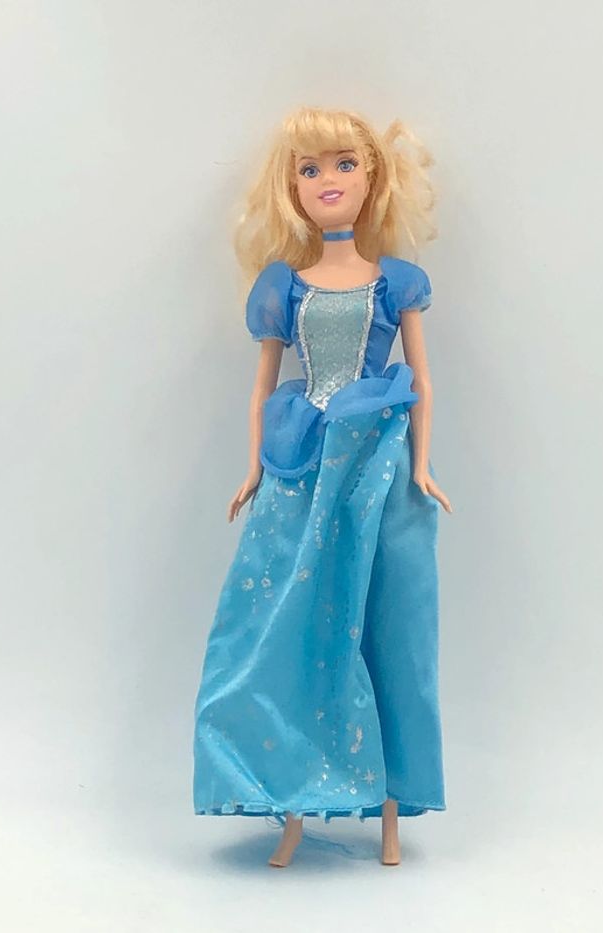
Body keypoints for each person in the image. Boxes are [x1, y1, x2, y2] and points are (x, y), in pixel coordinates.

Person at [193, 105, 454, 868]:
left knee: (387, 626)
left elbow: (423, 381)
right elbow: (262, 386)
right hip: (303, 464)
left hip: (375, 468)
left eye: (343, 164)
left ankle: (390, 806)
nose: (327, 181)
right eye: (309, 169)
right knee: (287, 625)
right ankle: (294, 800)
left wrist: (423, 466)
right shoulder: (285, 287)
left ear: (373, 177)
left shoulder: (395, 283)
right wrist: (252, 468)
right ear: (291, 188)